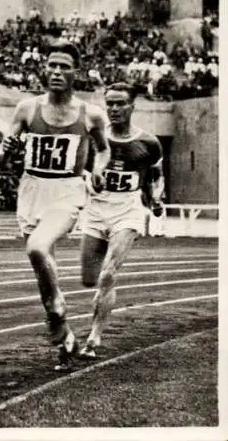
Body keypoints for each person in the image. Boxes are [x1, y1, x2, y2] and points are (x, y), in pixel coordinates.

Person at [0, 41, 110, 370]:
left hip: (67, 190)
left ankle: (59, 310)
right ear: (44, 69)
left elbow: (102, 150)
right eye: (51, 65)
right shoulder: (27, 109)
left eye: (64, 66)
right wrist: (4, 149)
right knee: (43, 271)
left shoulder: (91, 114)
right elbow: (1, 160)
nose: (56, 72)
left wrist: (98, 171)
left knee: (37, 247)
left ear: (76, 72)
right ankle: (65, 339)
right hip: (31, 190)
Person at [79, 82, 164, 359]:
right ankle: (100, 301)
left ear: (132, 106)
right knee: (90, 278)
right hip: (95, 209)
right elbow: (78, 169)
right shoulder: (95, 138)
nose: (114, 109)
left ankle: (94, 337)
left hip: (127, 208)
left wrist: (157, 198)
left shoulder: (149, 142)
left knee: (108, 274)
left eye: (120, 104)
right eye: (110, 103)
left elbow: (156, 176)